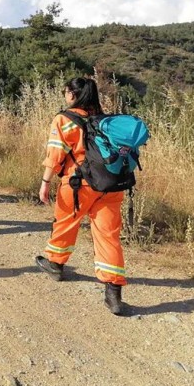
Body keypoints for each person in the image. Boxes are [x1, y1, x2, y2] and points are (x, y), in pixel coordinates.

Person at [35, 77, 129, 315]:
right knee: (109, 236)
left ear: (72, 95)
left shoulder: (64, 119)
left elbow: (55, 154)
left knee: (66, 223)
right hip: (110, 185)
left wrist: (45, 182)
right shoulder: (106, 121)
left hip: (78, 184)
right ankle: (113, 293)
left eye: (66, 92)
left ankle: (55, 264)